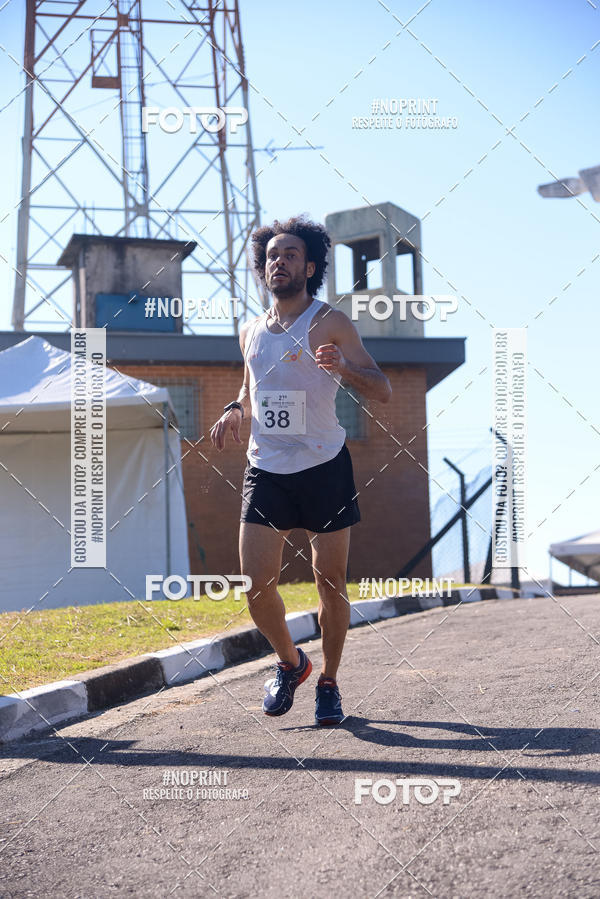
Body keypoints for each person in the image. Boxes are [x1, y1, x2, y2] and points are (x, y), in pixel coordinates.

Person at [210, 216, 391, 725]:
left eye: (290, 254)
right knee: (255, 584)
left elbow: (382, 389)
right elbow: (252, 391)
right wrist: (234, 409)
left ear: (309, 266)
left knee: (329, 580)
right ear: (262, 268)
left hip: (324, 465)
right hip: (266, 469)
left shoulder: (329, 321)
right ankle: (292, 664)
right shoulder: (250, 332)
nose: (279, 262)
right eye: (271, 255)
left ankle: (329, 682)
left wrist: (343, 368)